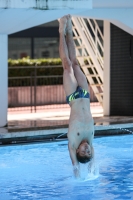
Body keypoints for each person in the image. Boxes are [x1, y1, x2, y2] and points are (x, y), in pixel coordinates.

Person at [59, 15, 94, 178]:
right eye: (89, 152)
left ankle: (61, 29)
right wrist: (92, 169)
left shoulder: (73, 142)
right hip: (85, 94)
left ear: (77, 151)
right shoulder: (90, 141)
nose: (87, 150)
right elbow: (92, 160)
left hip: (73, 96)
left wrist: (78, 173)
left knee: (67, 65)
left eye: (84, 153)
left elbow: (75, 164)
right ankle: (70, 29)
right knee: (75, 63)